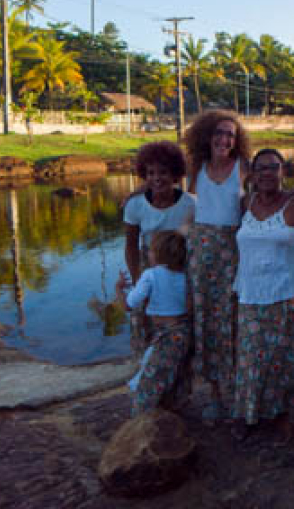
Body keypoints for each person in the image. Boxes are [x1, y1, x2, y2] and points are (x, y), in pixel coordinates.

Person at [230, 148, 294, 443]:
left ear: (284, 171)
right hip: (250, 294)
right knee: (250, 361)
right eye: (261, 168)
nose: (267, 173)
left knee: (288, 358)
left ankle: (287, 418)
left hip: (288, 293)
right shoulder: (246, 203)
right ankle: (250, 414)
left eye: (273, 167)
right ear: (253, 174)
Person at [183, 110, 250, 422]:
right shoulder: (196, 169)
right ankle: (214, 394)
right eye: (220, 133)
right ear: (207, 136)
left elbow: (268, 195)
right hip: (202, 254)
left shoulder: (243, 168)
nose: (225, 139)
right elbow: (184, 203)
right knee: (206, 321)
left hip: (234, 253)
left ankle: (238, 392)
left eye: (231, 135)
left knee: (234, 321)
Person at [123, 141, 195, 356]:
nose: (157, 178)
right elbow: (130, 247)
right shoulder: (135, 205)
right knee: (145, 322)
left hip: (181, 270)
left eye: (163, 172)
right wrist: (136, 279)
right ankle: (147, 369)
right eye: (151, 173)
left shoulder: (191, 204)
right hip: (149, 267)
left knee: (179, 322)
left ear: (175, 174)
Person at [115, 230, 192, 416]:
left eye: (150, 250)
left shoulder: (150, 275)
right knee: (176, 376)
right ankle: (171, 413)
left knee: (150, 382)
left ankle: (142, 421)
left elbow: (128, 305)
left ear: (159, 254)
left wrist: (118, 289)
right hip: (184, 333)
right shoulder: (185, 275)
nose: (147, 254)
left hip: (167, 336)